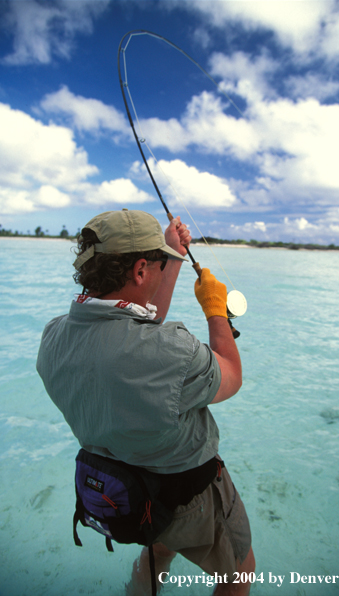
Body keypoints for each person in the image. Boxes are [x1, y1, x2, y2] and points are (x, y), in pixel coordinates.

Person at [36, 208, 255, 595]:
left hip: (129, 494)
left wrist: (169, 254)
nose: (159, 270)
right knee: (239, 572)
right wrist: (215, 312)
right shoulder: (172, 352)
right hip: (190, 496)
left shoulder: (52, 338)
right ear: (139, 271)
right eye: (155, 264)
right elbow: (232, 378)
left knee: (160, 548)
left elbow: (135, 329)